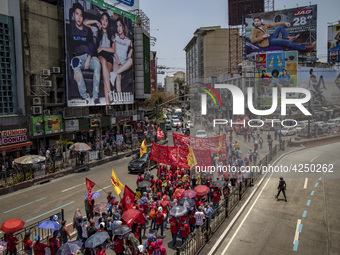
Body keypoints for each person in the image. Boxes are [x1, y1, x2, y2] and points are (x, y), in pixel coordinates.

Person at [67, 3, 101, 105]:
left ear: (83, 17)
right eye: (77, 14)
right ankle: (85, 96)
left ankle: (95, 97)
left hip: (88, 56)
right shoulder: (70, 28)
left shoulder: (87, 30)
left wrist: (88, 58)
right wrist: (73, 58)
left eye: (81, 15)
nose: (79, 17)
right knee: (75, 65)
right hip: (77, 57)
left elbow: (91, 46)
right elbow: (68, 46)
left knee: (97, 64)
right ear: (73, 15)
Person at [84, 13, 115, 104]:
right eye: (102, 19)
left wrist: (102, 47)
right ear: (100, 21)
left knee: (106, 75)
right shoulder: (96, 30)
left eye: (106, 20)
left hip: (109, 56)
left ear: (108, 23)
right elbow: (84, 23)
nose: (104, 22)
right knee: (103, 63)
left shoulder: (111, 35)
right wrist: (95, 21)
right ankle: (110, 93)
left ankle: (107, 102)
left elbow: (113, 50)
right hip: (100, 55)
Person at [250, 16, 316, 52]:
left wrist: (284, 23)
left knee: (279, 27)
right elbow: (252, 40)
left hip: (271, 37)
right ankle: (305, 48)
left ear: (261, 21)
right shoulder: (254, 29)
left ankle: (288, 37)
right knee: (286, 42)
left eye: (257, 21)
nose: (256, 22)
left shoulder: (264, 25)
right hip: (267, 42)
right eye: (255, 21)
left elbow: (274, 24)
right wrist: (263, 37)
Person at [110, 17, 133, 94]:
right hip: (116, 60)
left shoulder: (128, 40)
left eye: (120, 26)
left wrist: (131, 51)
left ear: (123, 27)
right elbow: (114, 52)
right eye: (117, 26)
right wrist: (119, 63)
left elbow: (129, 56)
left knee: (131, 61)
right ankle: (119, 98)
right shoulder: (115, 37)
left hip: (124, 61)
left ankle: (113, 74)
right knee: (118, 76)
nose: (118, 28)